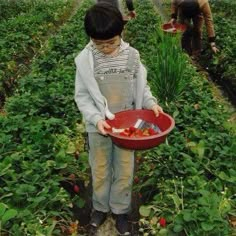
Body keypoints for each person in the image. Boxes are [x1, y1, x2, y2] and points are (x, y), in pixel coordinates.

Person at [74, 3, 163, 235]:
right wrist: (95, 119)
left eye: (110, 42)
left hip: (127, 128)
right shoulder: (86, 60)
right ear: (90, 38)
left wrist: (151, 103)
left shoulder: (132, 56)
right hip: (100, 127)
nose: (105, 48)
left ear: (121, 32)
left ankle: (121, 210)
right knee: (100, 168)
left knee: (124, 168)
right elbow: (82, 96)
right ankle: (100, 208)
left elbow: (141, 87)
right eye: (98, 43)